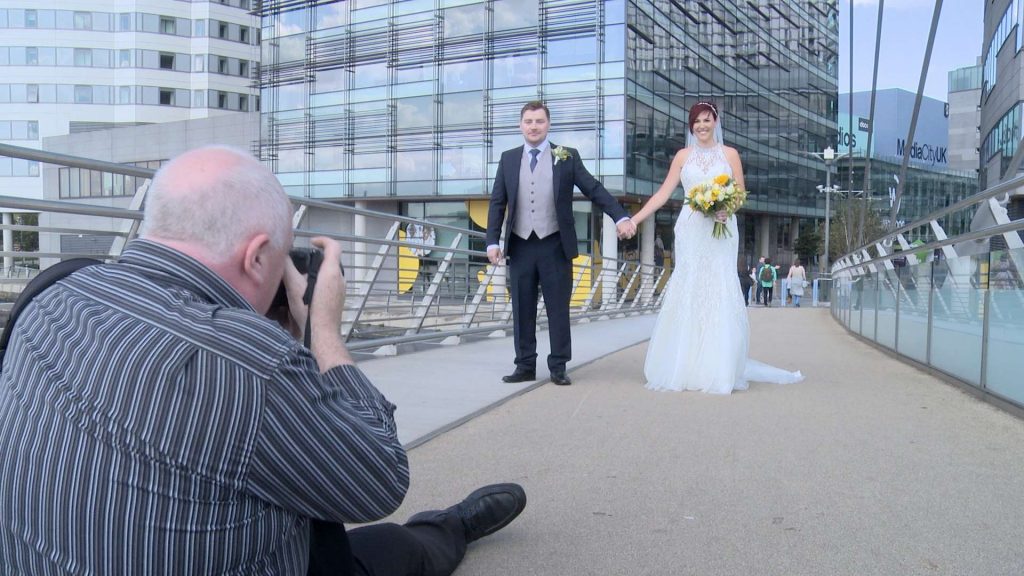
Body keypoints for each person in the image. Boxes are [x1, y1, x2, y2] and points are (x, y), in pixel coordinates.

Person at [0, 145, 527, 575]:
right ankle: (450, 527)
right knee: (392, 547)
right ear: (256, 257)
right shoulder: (248, 362)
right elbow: (381, 478)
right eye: (279, 261)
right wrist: (321, 329)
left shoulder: (53, 293)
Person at [627, 101, 803, 394]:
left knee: (718, 288)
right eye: (696, 122)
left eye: (707, 120)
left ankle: (718, 364)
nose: (702, 126)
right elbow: (662, 194)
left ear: (716, 122)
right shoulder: (682, 156)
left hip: (721, 231)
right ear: (690, 126)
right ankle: (684, 363)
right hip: (691, 229)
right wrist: (634, 219)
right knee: (691, 286)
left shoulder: (729, 154)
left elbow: (740, 194)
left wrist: (726, 209)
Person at [486, 101, 635, 386]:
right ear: (521, 125)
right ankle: (525, 365)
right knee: (522, 308)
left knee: (558, 308)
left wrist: (620, 217)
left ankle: (558, 366)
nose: (533, 126)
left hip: (555, 244)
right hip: (520, 244)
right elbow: (497, 202)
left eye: (539, 121)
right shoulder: (507, 159)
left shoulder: (566, 157)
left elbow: (593, 188)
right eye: (528, 121)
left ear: (548, 125)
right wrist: (492, 240)